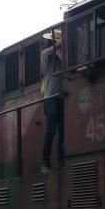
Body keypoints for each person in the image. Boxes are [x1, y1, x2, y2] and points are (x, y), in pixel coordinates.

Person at [40, 29, 65, 173]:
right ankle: (45, 161)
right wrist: (58, 45)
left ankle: (62, 159)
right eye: (55, 40)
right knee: (50, 130)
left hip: (62, 97)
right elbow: (45, 53)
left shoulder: (62, 56)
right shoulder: (46, 56)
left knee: (63, 131)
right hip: (50, 98)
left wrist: (60, 50)